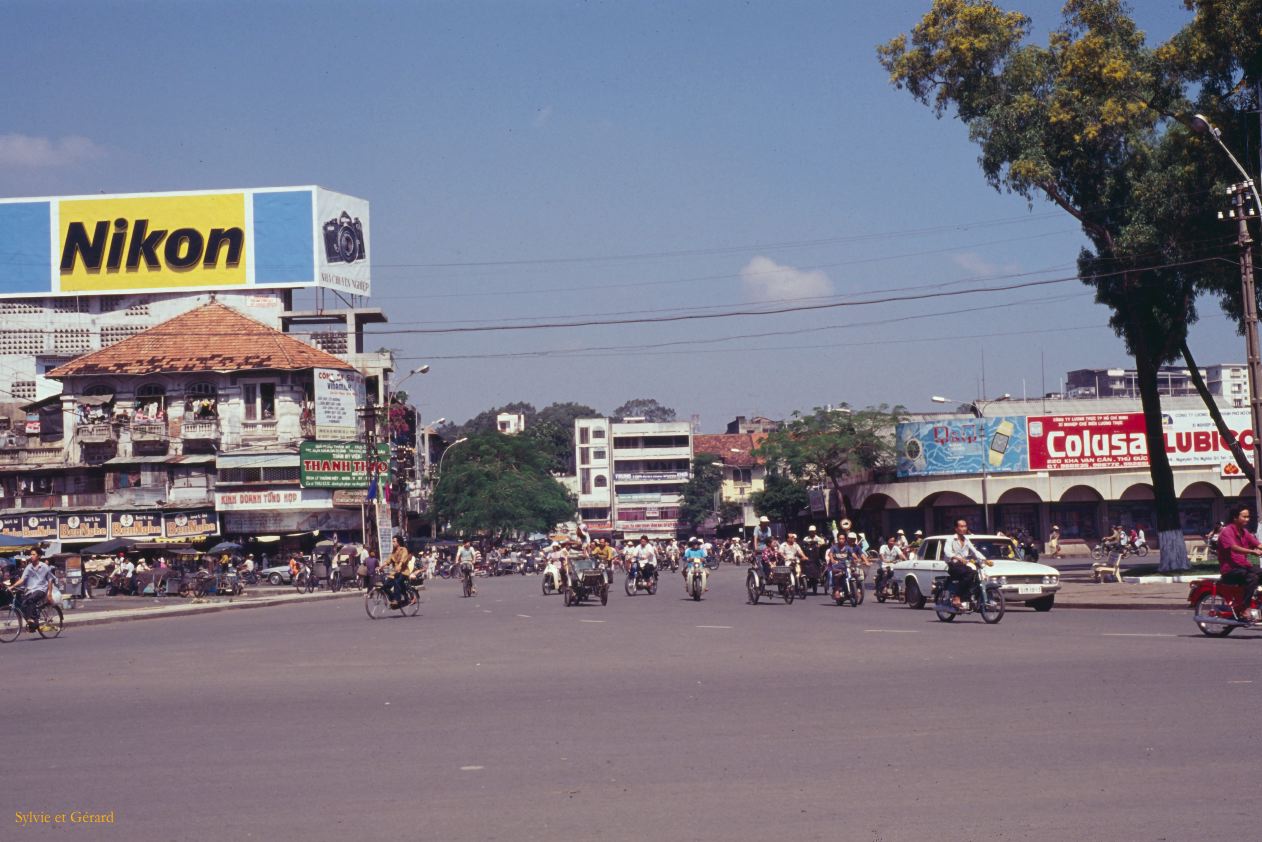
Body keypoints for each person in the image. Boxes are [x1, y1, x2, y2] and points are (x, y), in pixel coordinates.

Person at [1216, 504, 1262, 620]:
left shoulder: (1244, 532)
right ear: (1235, 517)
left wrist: (1259, 548)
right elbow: (1234, 547)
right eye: (1244, 517)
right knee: (1252, 578)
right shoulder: (1227, 531)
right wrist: (1252, 552)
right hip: (1230, 570)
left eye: (1248, 517)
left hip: (1244, 567)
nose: (1247, 519)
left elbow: (1258, 544)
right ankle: (1245, 608)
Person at [944, 518, 991, 609]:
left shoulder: (966, 540)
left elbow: (974, 551)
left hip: (963, 566)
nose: (964, 528)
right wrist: (958, 558)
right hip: (953, 565)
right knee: (970, 573)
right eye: (961, 526)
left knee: (975, 575)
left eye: (965, 526)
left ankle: (968, 598)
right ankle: (957, 597)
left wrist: (985, 560)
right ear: (956, 528)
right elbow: (947, 552)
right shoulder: (950, 539)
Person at [5, 549, 54, 630]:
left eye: (34, 554)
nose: (31, 556)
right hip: (31, 590)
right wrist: (12, 586)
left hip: (41, 589)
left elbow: (50, 580)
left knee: (31, 600)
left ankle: (33, 620)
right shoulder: (29, 567)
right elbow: (22, 579)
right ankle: (32, 623)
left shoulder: (44, 567)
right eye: (31, 554)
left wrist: (49, 593)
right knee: (23, 604)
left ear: (38, 556)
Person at [385, 536, 411, 608]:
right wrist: (381, 567)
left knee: (397, 582)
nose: (392, 543)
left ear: (398, 542)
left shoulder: (404, 549)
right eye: (392, 541)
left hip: (403, 572)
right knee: (385, 585)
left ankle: (397, 599)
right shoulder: (393, 552)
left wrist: (399, 565)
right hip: (395, 573)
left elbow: (403, 559)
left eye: (394, 541)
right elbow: (388, 561)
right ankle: (393, 599)